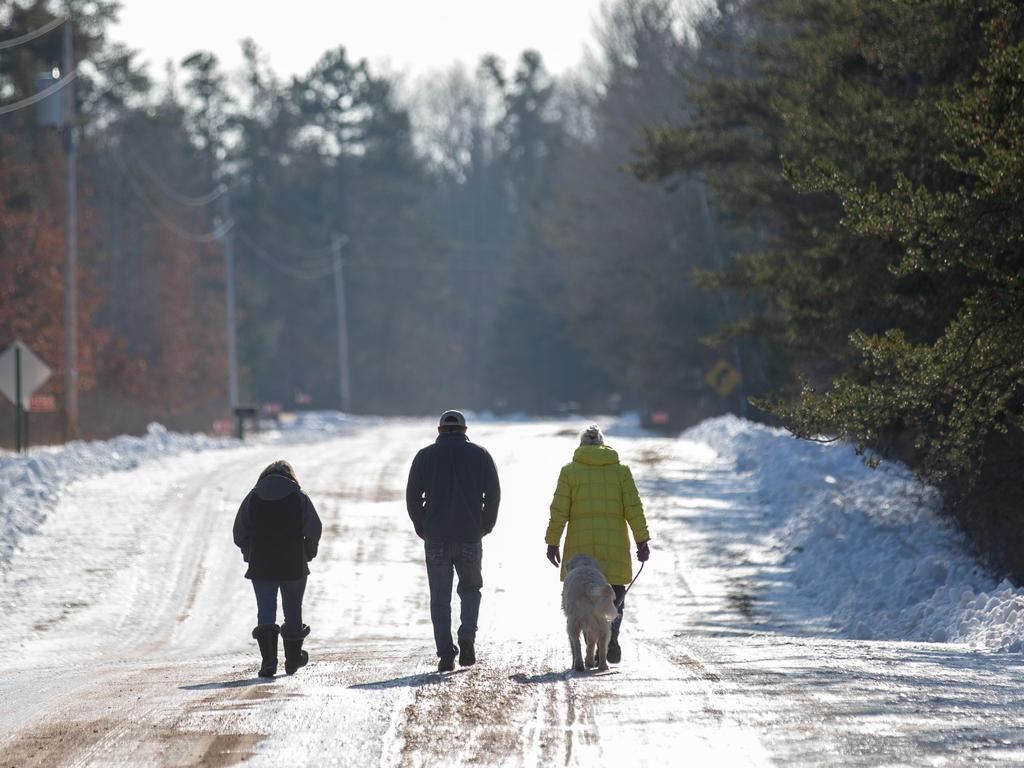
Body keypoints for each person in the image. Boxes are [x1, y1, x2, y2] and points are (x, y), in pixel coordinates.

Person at [545, 424, 650, 664]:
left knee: (582, 596)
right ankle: (610, 636)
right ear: (603, 444)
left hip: (581, 549)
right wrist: (642, 539)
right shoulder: (621, 471)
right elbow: (634, 508)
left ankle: (589, 647)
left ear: (581, 445)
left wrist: (553, 541)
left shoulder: (570, 472)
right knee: (612, 592)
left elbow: (558, 511)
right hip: (614, 546)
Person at [406, 410, 501, 672]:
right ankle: (467, 634)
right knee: (471, 589)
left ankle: (445, 654)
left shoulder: (424, 456)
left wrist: (421, 525)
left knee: (439, 598)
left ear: (439, 430)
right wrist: (485, 525)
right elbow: (493, 495)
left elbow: (413, 497)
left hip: (436, 537)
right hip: (470, 535)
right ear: (465, 430)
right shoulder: (480, 455)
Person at [233, 459, 322, 678]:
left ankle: (269, 662)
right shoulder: (299, 497)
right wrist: (307, 552)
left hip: (261, 564)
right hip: (293, 562)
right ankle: (292, 660)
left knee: (265, 611)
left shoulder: (253, 498)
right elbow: (314, 528)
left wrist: (249, 551)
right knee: (293, 610)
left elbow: (239, 532)